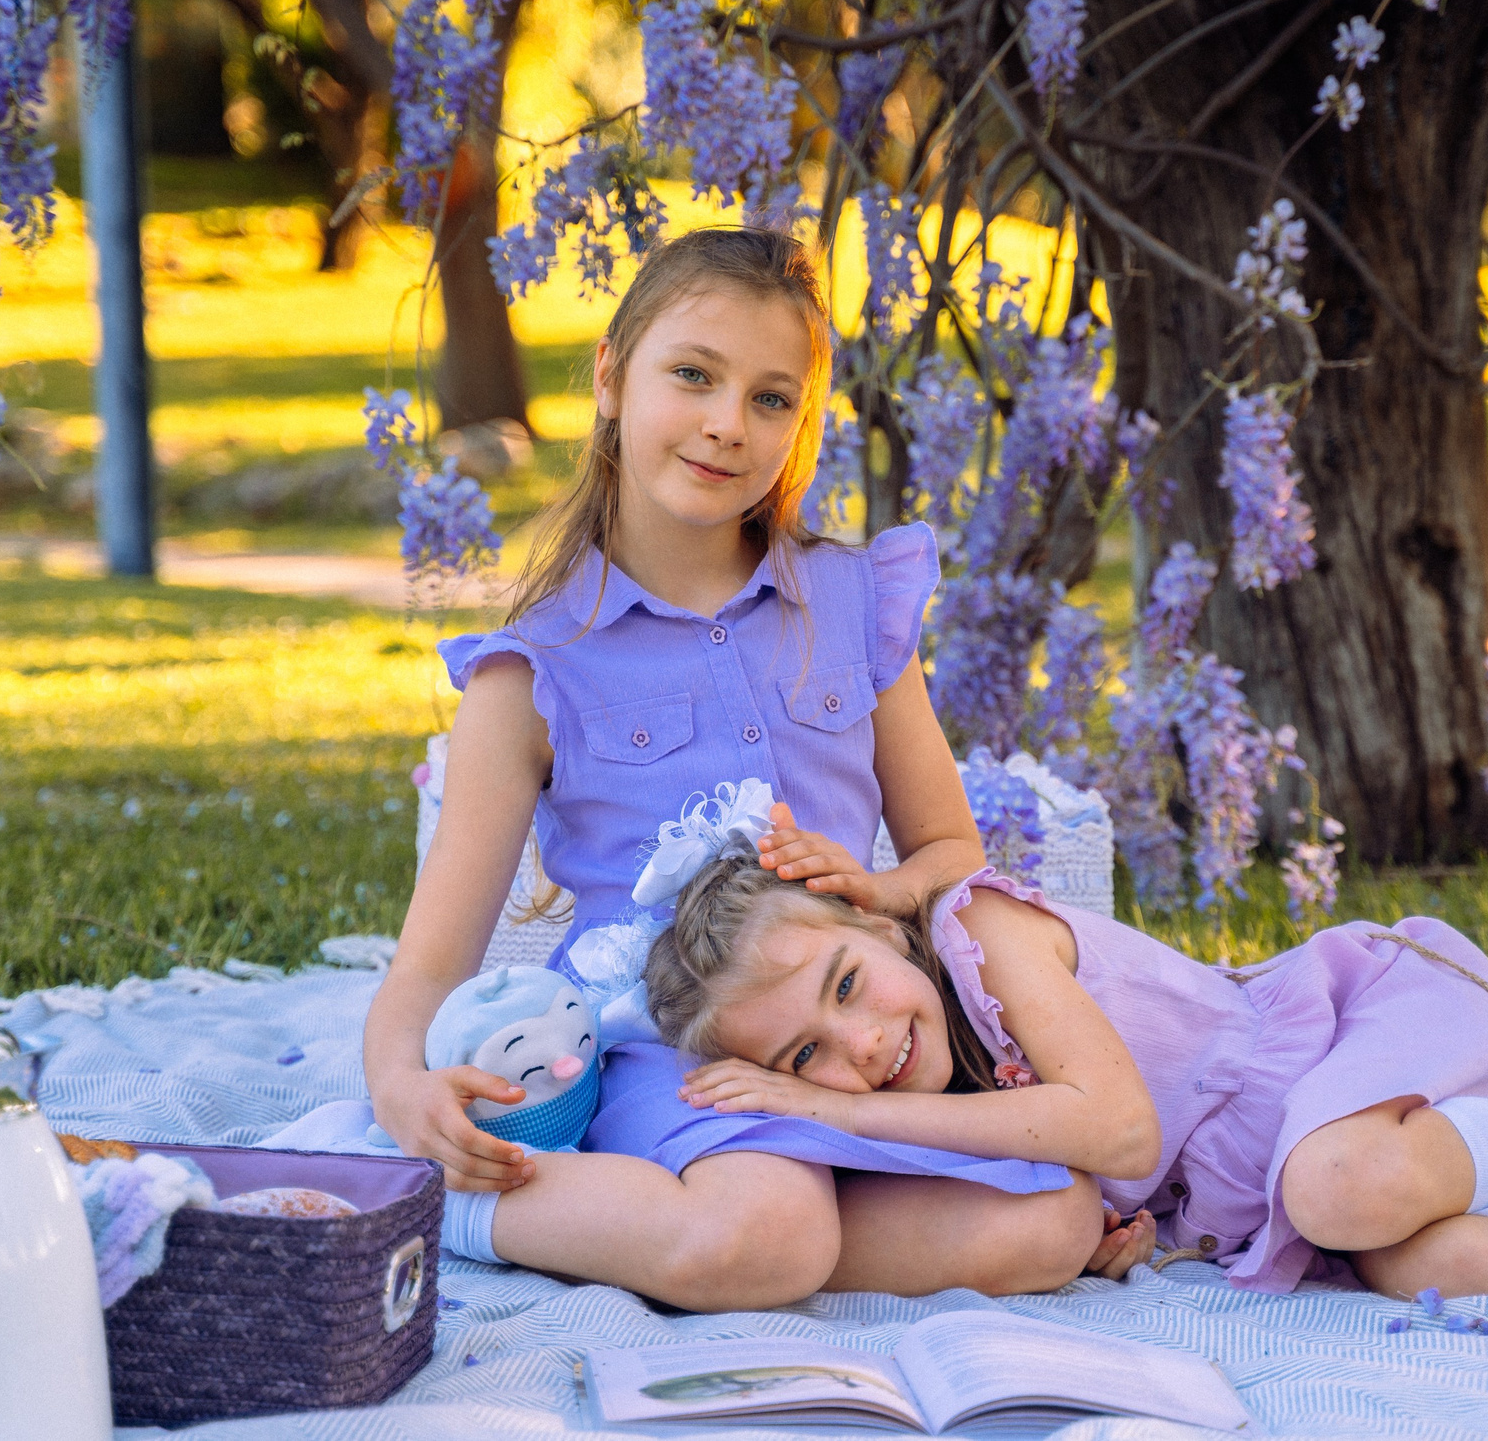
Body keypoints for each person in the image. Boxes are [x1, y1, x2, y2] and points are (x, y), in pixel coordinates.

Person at [358, 227, 1145, 1312]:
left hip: (835, 1036)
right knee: (767, 1236)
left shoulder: (853, 603)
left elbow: (948, 851)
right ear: (609, 377)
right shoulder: (533, 670)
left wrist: (882, 896)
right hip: (677, 1053)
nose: (728, 425)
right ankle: (457, 1204)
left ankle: (765, 1230)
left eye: (773, 398)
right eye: (692, 375)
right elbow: (426, 966)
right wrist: (405, 1093)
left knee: (1053, 1218)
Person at [649, 858, 1488, 1297]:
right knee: (1424, 1264)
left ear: (877, 928)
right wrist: (1118, 1234)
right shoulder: (940, 1091)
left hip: (1359, 1032)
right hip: (1295, 1183)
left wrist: (814, 1108)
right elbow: (1117, 1166)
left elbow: (1116, 1115)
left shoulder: (985, 936)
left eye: (844, 989)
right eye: (805, 1057)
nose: (859, 1048)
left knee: (1337, 1182)